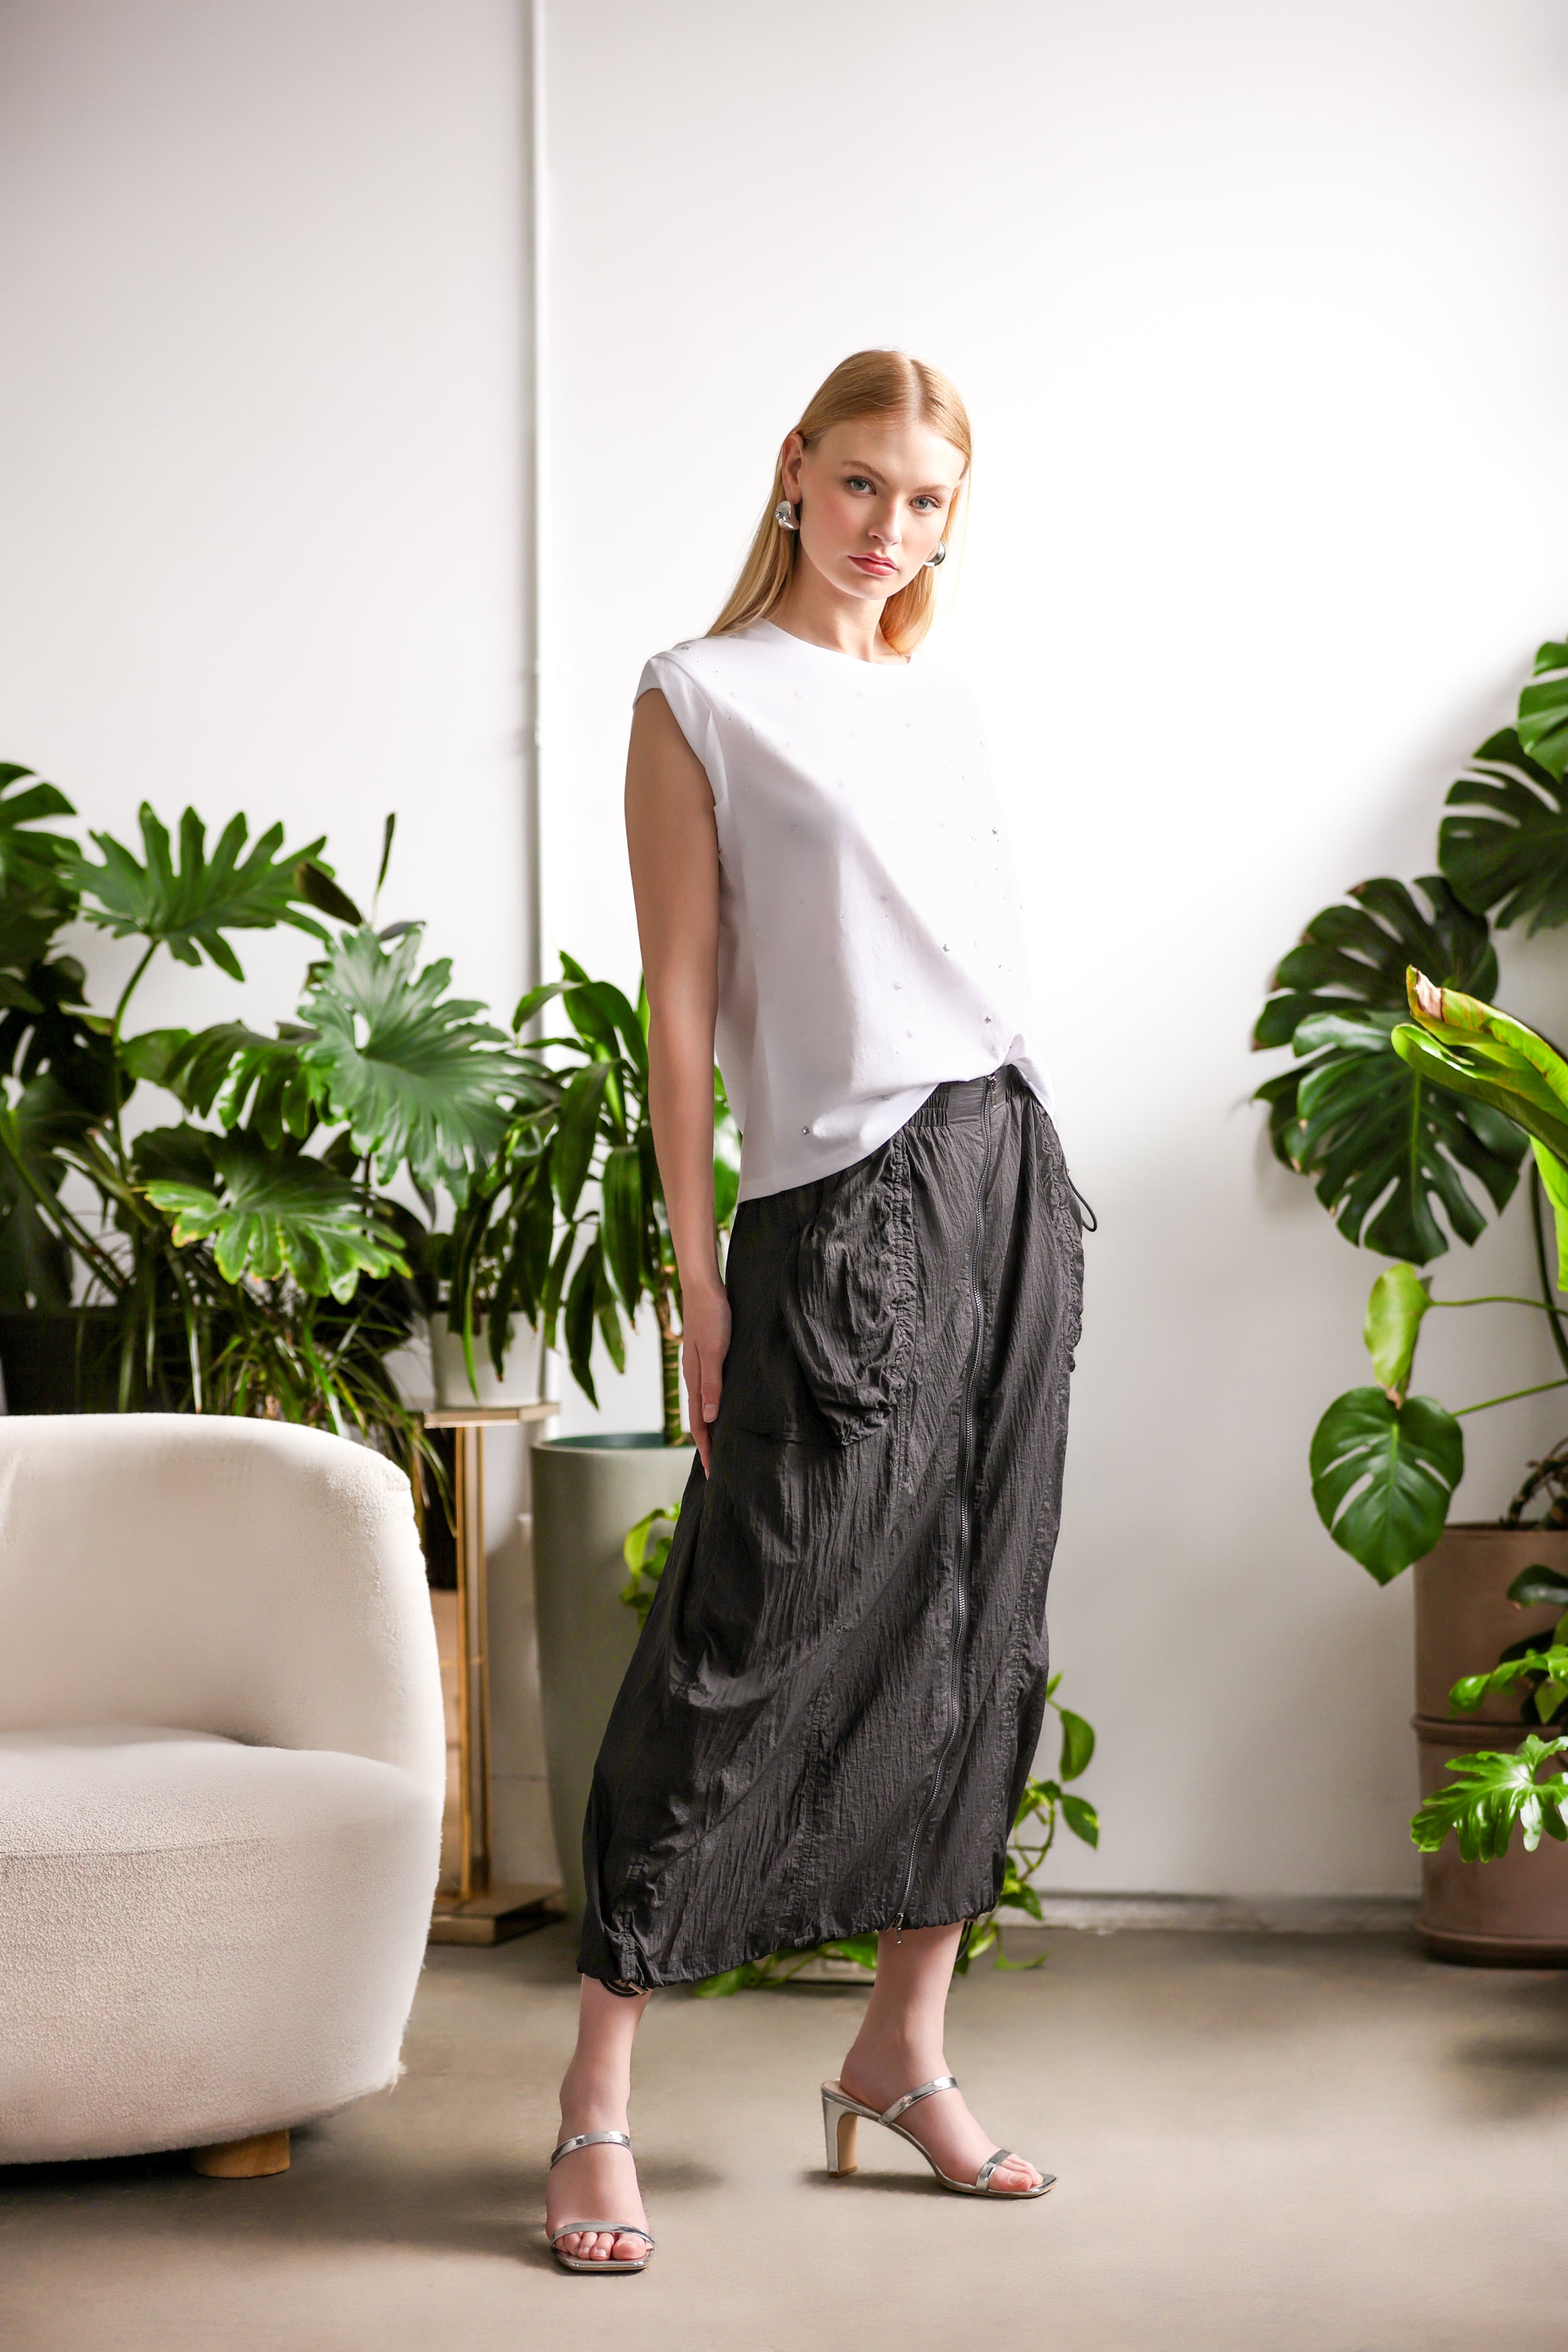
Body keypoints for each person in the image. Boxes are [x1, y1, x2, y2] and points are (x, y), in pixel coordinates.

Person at [545, 350, 1084, 2274]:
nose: (890, 530)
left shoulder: (928, 707)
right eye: (862, 486)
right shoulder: (698, 702)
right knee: (745, 1631)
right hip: (837, 1209)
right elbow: (679, 1017)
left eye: (926, 502)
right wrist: (696, 1272)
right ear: (793, 474)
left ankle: (900, 2048)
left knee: (983, 1630)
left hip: (1004, 1170)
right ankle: (595, 2099)